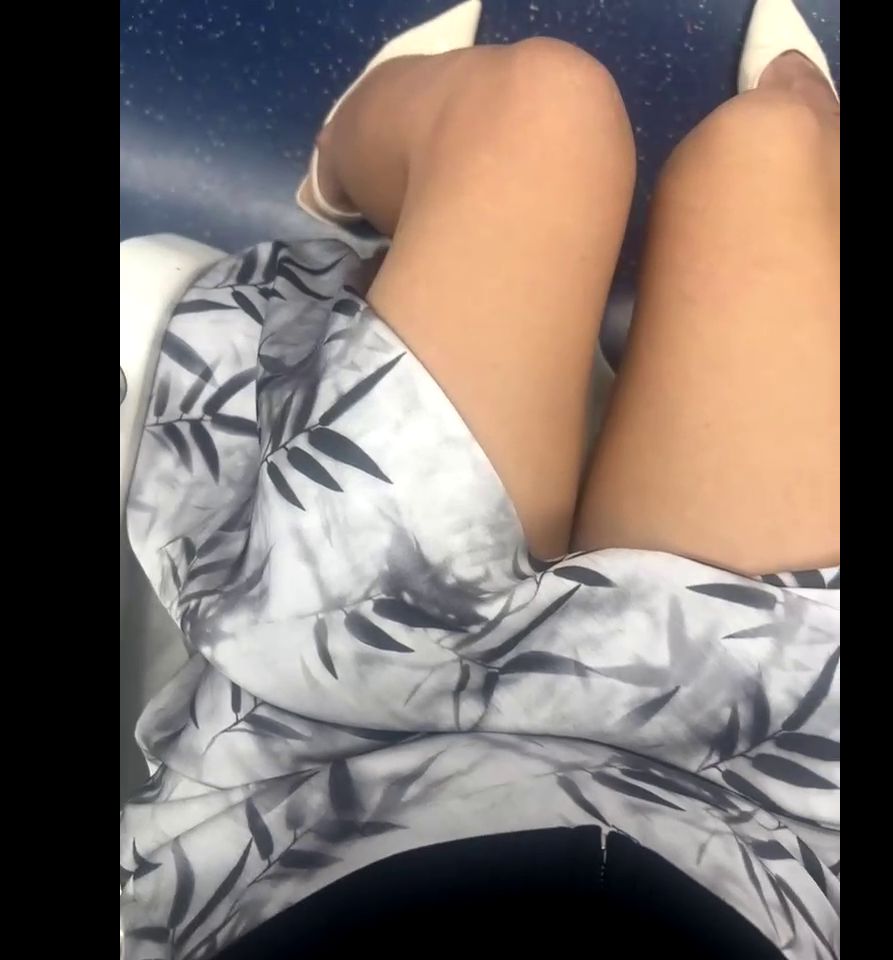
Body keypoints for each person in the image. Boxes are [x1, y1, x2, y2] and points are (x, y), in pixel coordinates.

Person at [119, 1, 839, 958]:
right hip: (754, 807)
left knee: (539, 104)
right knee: (777, 145)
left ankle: (341, 168)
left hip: (329, 760)